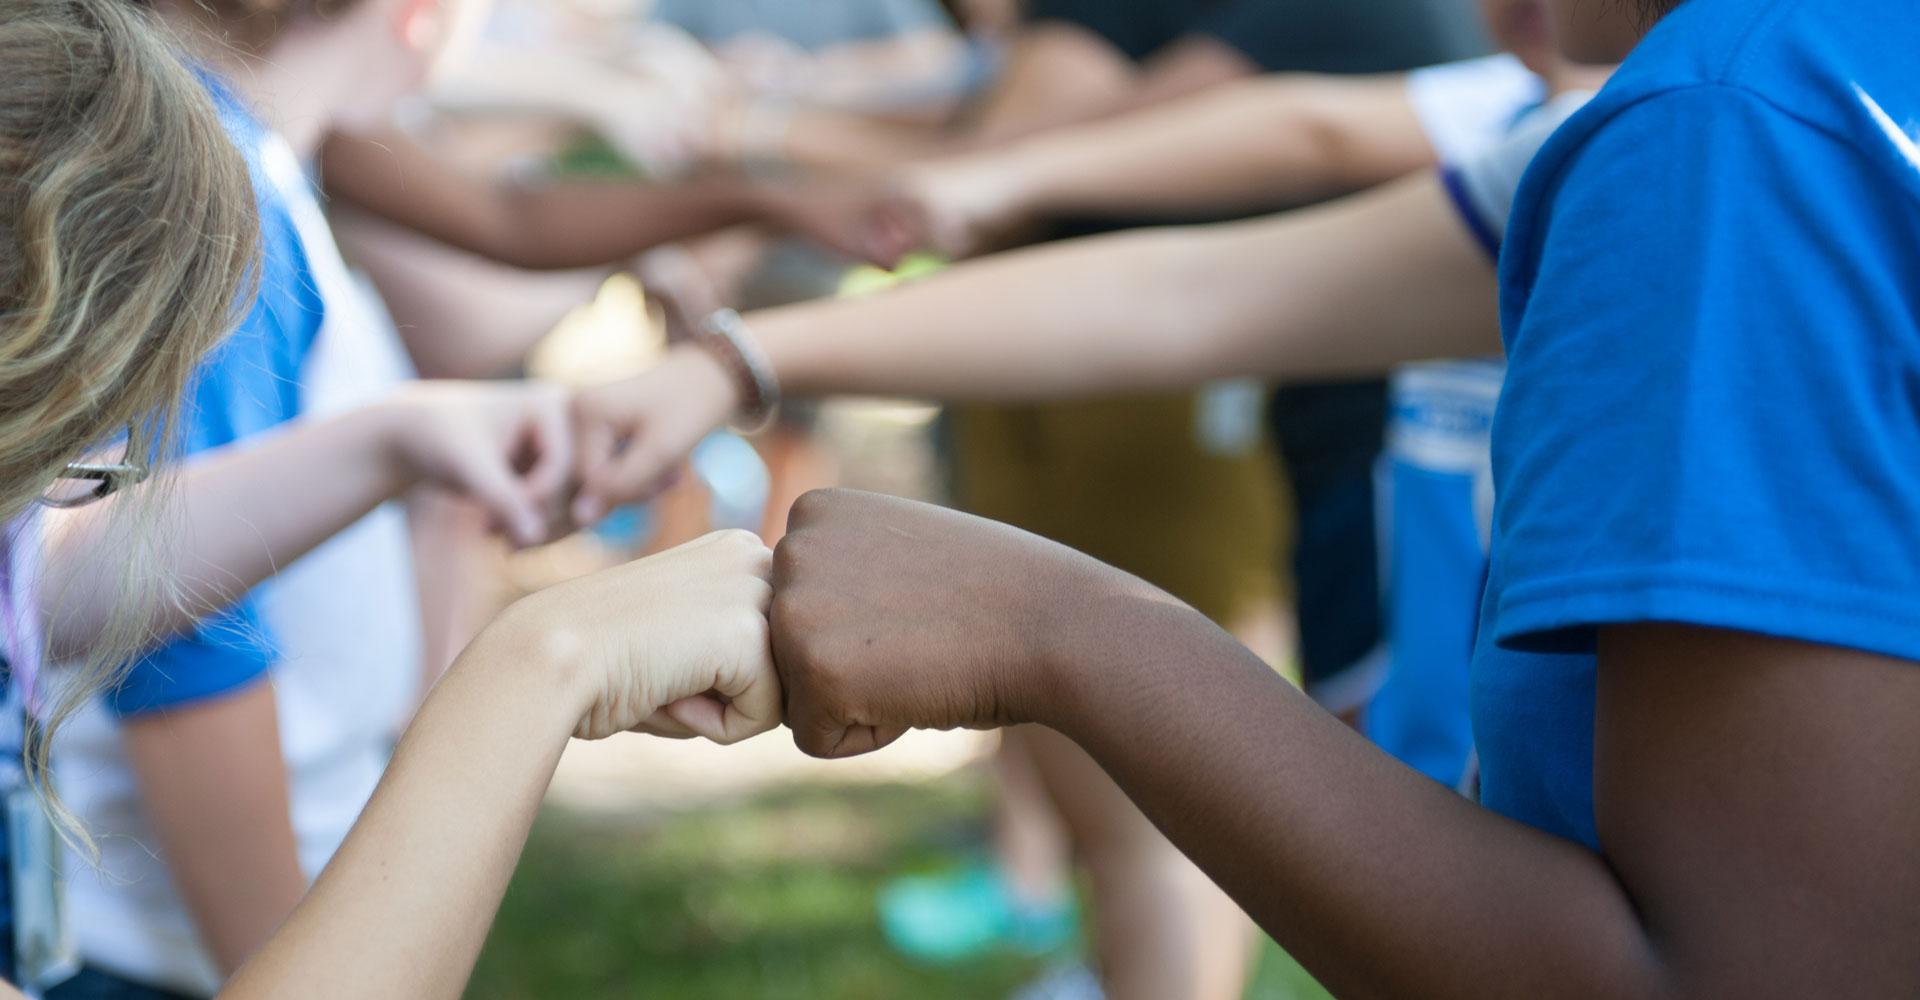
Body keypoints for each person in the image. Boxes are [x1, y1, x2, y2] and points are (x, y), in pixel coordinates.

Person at [755, 0, 1920, 992]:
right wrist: (738, 358)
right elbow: (1200, 292)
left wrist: (1052, 624)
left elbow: (1746, 969)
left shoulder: (1729, 124)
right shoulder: (1829, 84)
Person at [0, 6, 780, 1000]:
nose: (96, 484)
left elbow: (55, 577)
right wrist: (548, 665)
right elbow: (170, 646)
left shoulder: (219, 167)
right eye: (71, 454)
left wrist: (391, 440)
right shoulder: (210, 197)